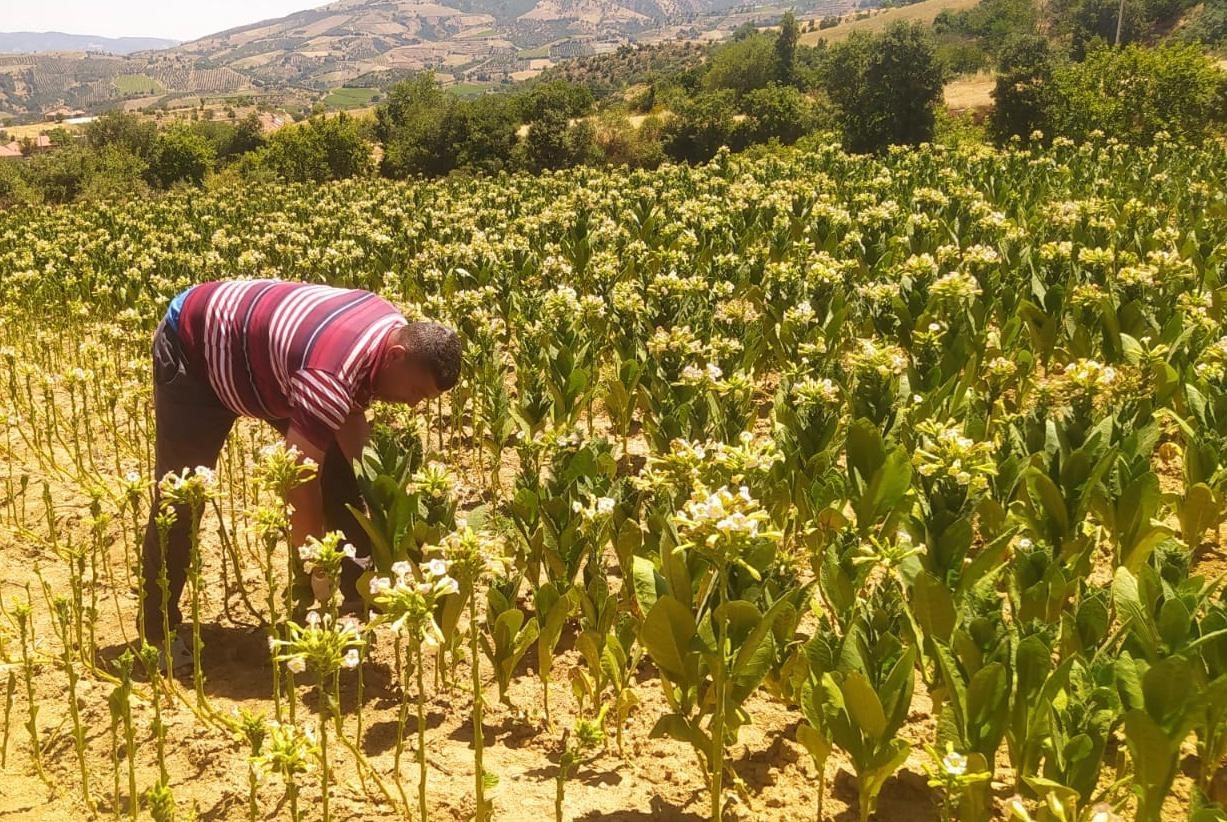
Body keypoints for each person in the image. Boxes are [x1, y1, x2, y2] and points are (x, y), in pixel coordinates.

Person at [141, 279, 461, 667]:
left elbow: (356, 441)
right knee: (180, 499)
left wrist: (384, 505)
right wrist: (316, 564)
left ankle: (353, 598)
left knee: (344, 480)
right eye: (416, 391)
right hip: (195, 350)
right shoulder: (328, 380)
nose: (412, 405)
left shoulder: (386, 327)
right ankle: (157, 632)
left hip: (268, 365)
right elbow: (298, 478)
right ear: (395, 355)